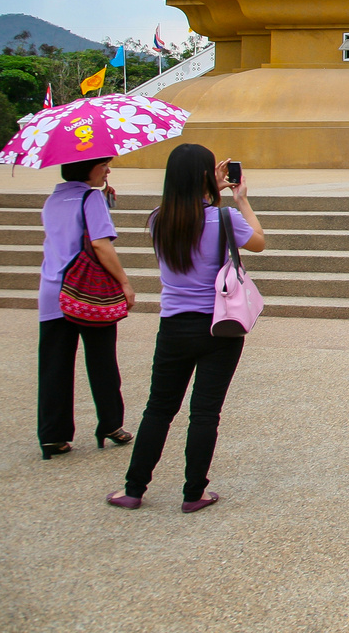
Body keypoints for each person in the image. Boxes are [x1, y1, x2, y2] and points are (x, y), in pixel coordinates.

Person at [108, 145, 264, 512]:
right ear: (205, 177)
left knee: (159, 409)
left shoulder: (158, 220)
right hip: (219, 327)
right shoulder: (222, 219)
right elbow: (258, 242)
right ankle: (194, 493)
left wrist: (211, 187)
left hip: (174, 326)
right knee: (205, 412)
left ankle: (134, 489)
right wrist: (239, 199)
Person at [38, 156, 134, 461]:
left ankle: (53, 435)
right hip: (87, 291)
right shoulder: (90, 198)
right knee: (102, 360)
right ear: (89, 169)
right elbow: (101, 245)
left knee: (54, 366)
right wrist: (124, 283)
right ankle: (110, 424)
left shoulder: (52, 200)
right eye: (103, 165)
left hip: (53, 290)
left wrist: (102, 199)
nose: (107, 170)